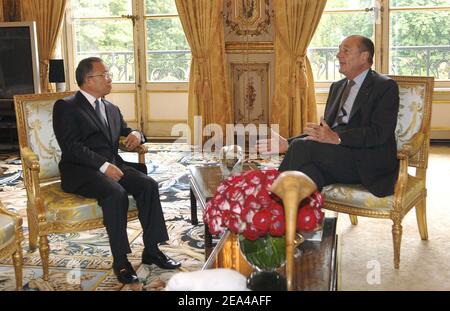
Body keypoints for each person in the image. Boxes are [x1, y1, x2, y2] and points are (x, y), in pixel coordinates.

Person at [53, 57, 181, 284]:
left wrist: (136, 134)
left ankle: (152, 249)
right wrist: (103, 166)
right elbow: (71, 146)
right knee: (115, 193)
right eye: (105, 75)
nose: (109, 79)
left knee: (148, 184)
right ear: (87, 80)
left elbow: (126, 130)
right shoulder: (66, 106)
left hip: (113, 165)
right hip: (81, 170)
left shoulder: (111, 108)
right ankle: (120, 260)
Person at [258, 35, 399, 197]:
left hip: (366, 161)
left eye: (345, 51)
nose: (339, 55)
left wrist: (338, 138)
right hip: (335, 158)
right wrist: (287, 143)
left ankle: (268, 202)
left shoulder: (384, 87)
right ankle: (302, 220)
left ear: (364, 57)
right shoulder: (337, 87)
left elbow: (379, 133)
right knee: (307, 174)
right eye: (339, 50)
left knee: (300, 147)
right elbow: (328, 132)